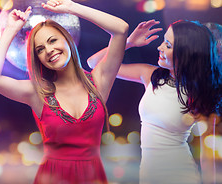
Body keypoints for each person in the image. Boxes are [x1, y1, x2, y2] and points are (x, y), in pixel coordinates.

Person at [0, 0, 129, 184]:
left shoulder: (99, 81)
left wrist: (72, 7)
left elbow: (121, 29)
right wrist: (11, 30)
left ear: (67, 39)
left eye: (52, 41)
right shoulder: (37, 93)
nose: (49, 50)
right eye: (40, 49)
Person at [87, 20, 222, 184]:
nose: (160, 48)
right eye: (163, 42)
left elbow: (208, 157)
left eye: (168, 45)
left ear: (187, 53)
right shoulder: (151, 76)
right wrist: (128, 42)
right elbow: (94, 63)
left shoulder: (200, 94)